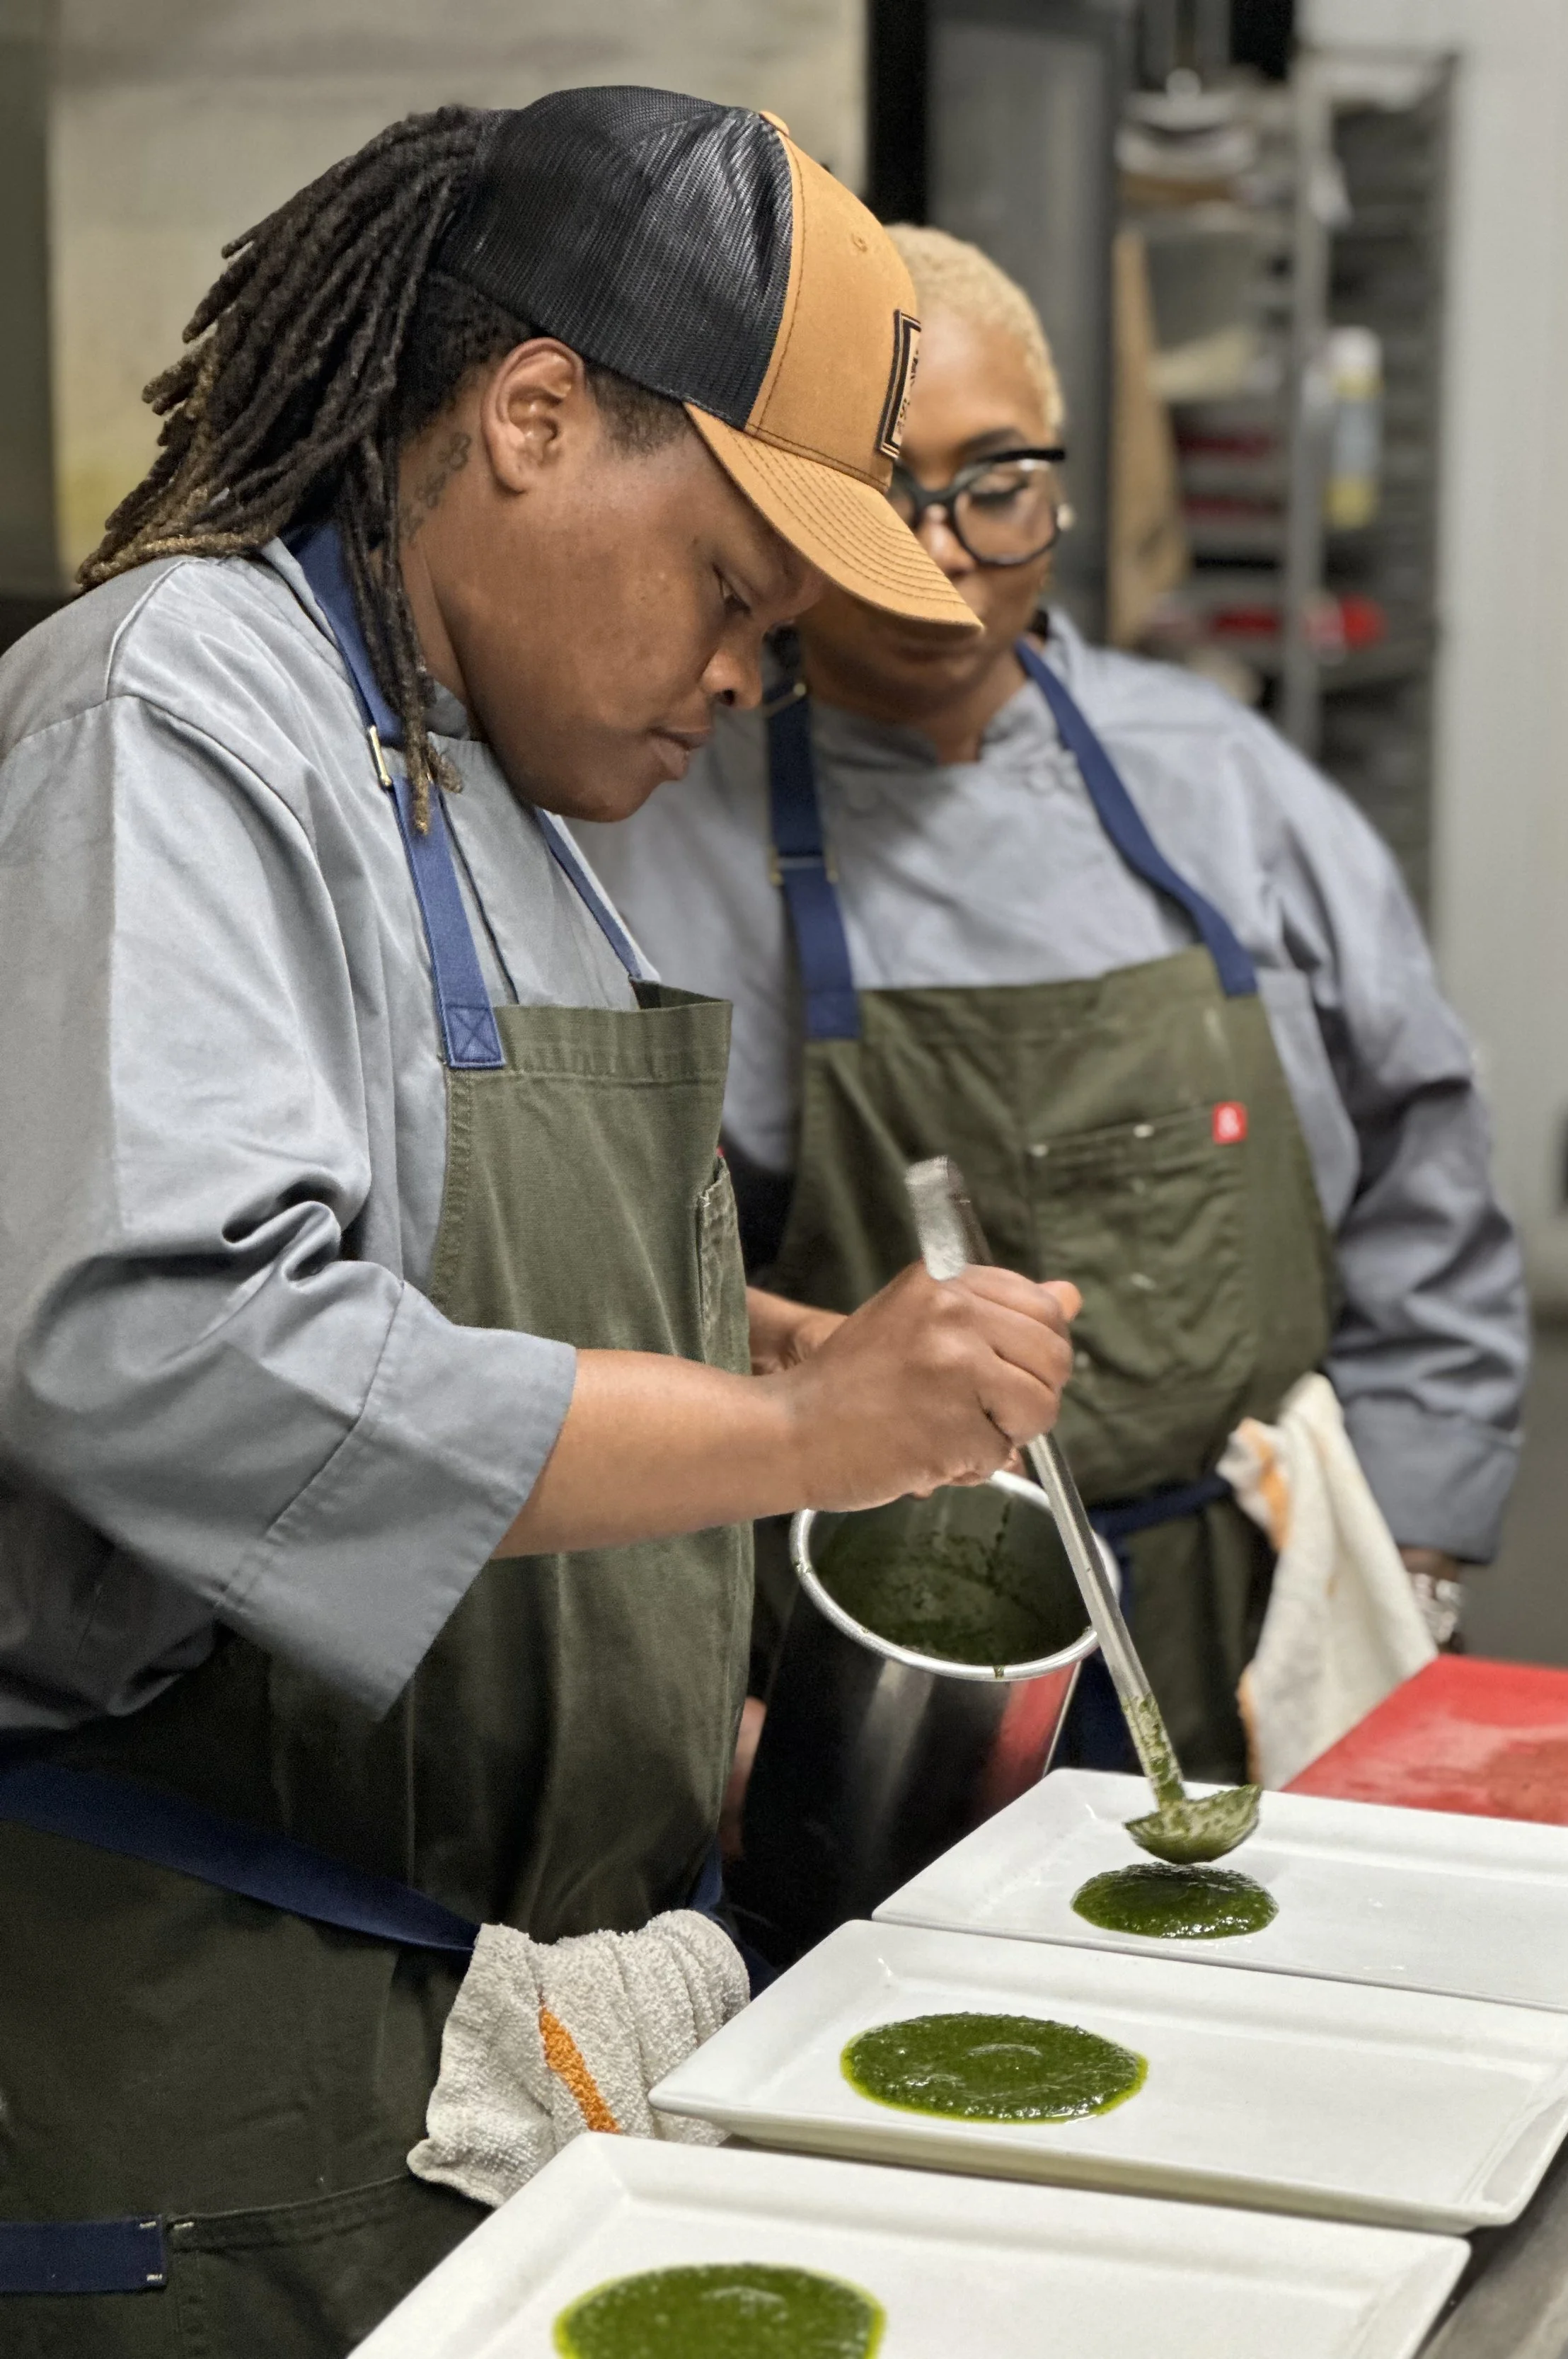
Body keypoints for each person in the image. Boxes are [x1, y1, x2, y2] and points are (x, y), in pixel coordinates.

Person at [0, 104, 1081, 2352]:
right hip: (240, 2105)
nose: (741, 681)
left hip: (480, 2064)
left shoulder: (471, 766)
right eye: (730, 593)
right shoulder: (180, 709)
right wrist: (799, 1438)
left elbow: (459, 1269)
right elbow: (164, 1347)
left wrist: (753, 1347)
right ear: (530, 415)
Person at [584, 226, 1530, 1783]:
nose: (943, 546)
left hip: (1257, 1601)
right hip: (867, 1632)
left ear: (1063, 491)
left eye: (995, 483)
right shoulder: (666, 828)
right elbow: (622, 1290)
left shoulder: (1223, 787)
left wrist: (1411, 1551)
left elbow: (1421, 1170)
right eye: (885, 495)